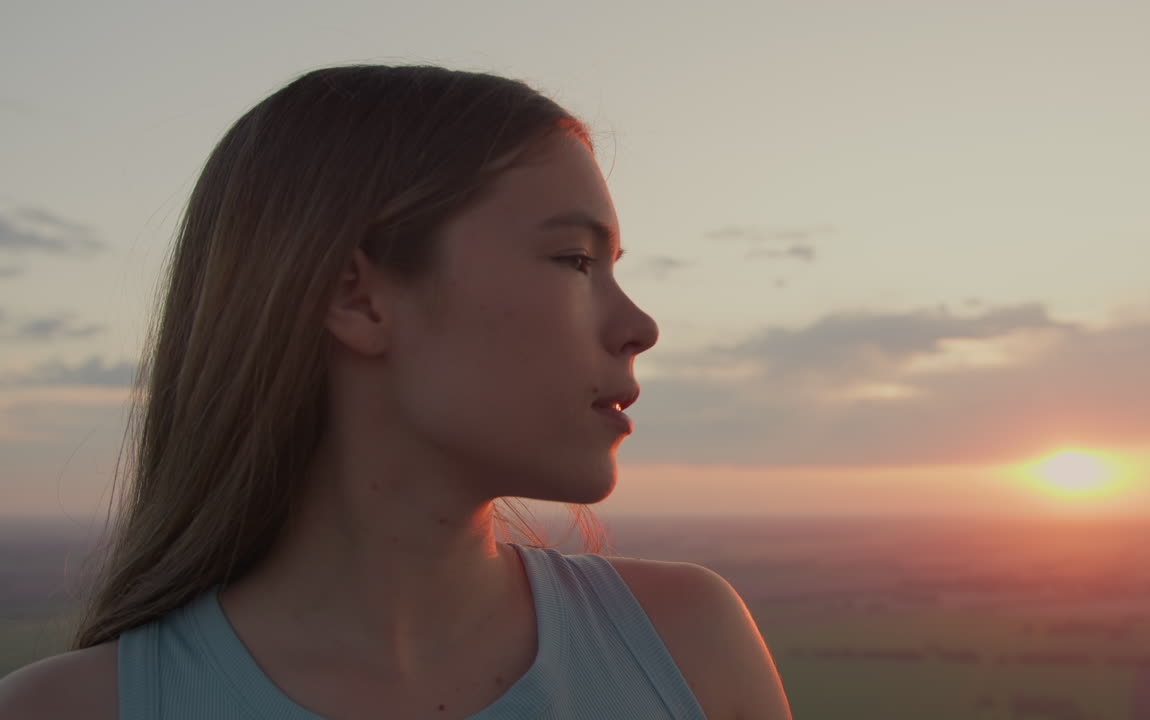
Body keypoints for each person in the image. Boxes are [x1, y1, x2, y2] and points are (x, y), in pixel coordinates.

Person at [0, 65, 792, 719]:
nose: (639, 325)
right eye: (575, 261)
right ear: (357, 297)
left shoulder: (689, 650)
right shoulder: (69, 709)